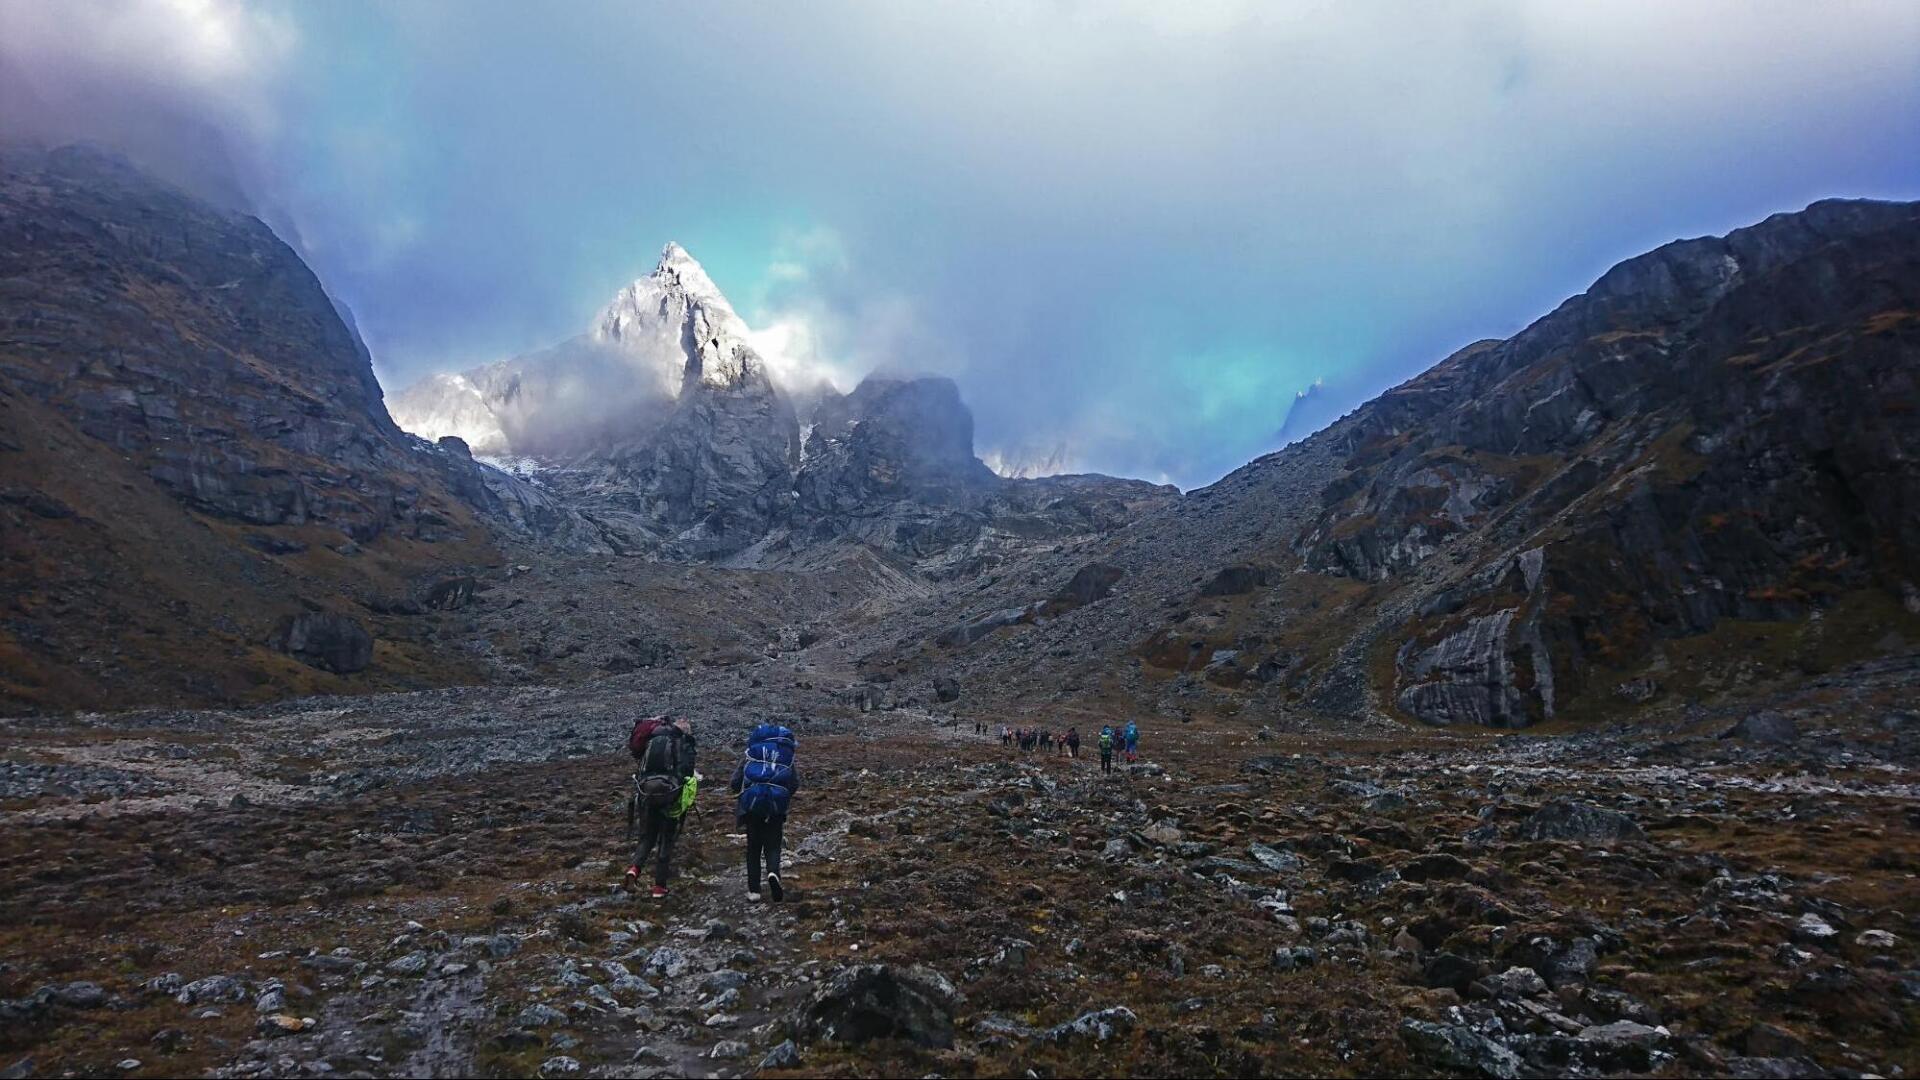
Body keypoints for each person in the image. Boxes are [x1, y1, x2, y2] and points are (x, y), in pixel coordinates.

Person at [627, 716, 697, 899]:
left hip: (646, 792)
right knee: (666, 840)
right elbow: (687, 770)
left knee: (647, 838)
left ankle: (634, 869)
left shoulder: (653, 737)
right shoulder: (682, 741)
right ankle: (659, 887)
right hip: (670, 795)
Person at [730, 722, 799, 902]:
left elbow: (735, 782)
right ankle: (773, 873)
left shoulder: (751, 754)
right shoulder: (785, 757)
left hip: (751, 808)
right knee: (773, 845)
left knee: (753, 848)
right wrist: (782, 797)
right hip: (775, 808)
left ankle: (754, 891)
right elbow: (794, 783)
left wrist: (743, 795)